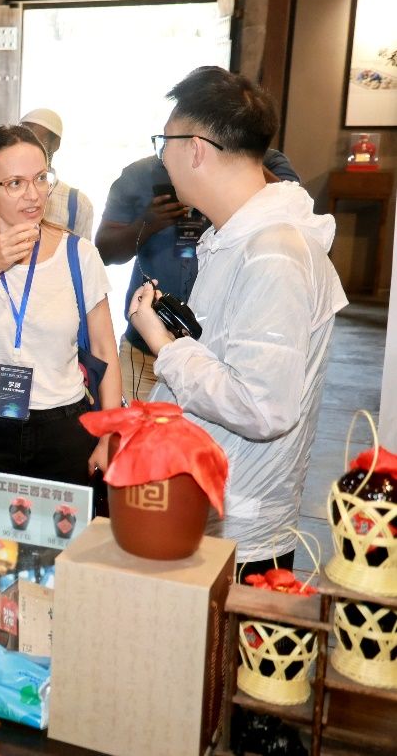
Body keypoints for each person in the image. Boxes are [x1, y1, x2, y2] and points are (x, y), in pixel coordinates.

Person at [128, 66, 346, 577]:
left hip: (239, 532)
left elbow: (262, 407)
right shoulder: (241, 237)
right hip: (206, 503)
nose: (162, 158)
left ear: (195, 149)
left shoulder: (273, 253)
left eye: (165, 142)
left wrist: (166, 346)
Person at [0, 125, 121, 490]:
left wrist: (108, 435)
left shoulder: (79, 254)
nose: (33, 194)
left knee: (63, 531)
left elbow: (104, 350)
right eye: (15, 183)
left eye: (40, 178)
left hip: (63, 429)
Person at [96, 147, 300, 402]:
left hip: (222, 360)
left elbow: (298, 216)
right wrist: (146, 224)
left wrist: (239, 158)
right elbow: (104, 252)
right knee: (137, 426)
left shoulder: (269, 164)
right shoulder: (140, 175)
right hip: (145, 351)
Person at [18, 108, 95, 240]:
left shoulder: (80, 204)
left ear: (56, 144)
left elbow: (82, 251)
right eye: (21, 141)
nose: (27, 149)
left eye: (36, 141)